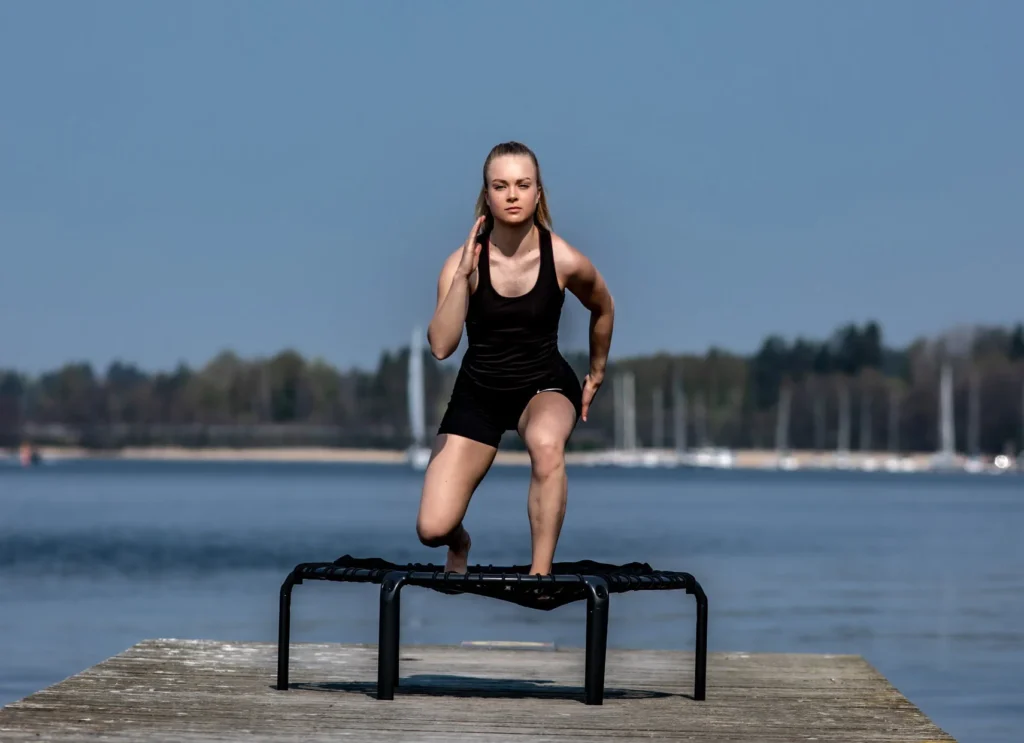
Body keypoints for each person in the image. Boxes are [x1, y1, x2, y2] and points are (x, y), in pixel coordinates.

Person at [416, 141, 615, 576]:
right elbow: (441, 346)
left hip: (542, 385)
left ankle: (539, 575)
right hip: (479, 393)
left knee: (546, 447)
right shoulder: (460, 264)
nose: (512, 195)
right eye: (500, 186)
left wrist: (597, 371)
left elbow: (603, 305)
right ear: (485, 195)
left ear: (538, 193)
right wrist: (465, 276)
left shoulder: (562, 257)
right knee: (432, 528)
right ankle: (461, 541)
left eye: (523, 185)